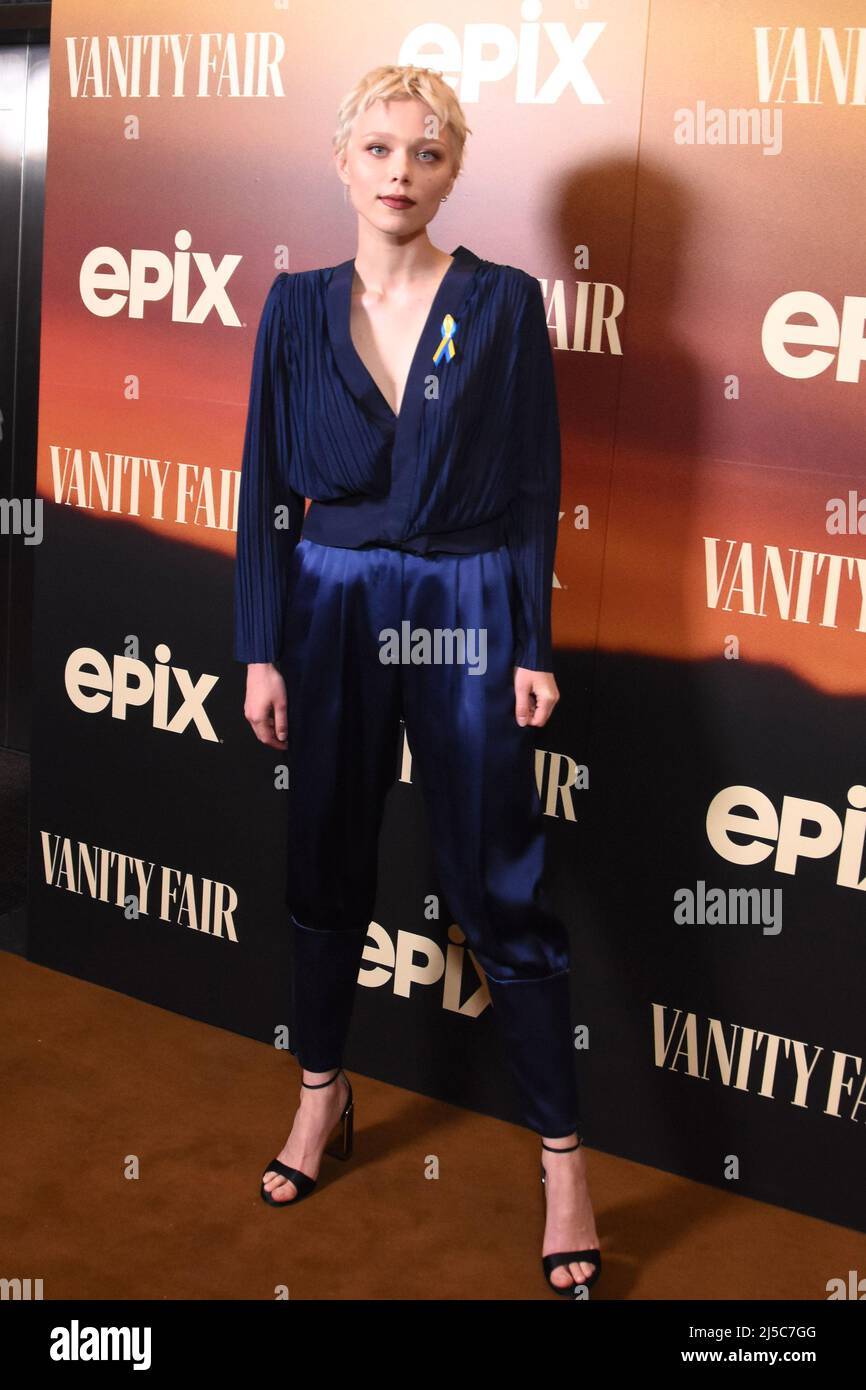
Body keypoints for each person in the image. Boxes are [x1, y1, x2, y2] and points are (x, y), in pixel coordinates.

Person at [233, 63, 601, 1297]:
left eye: (426, 153)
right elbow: (263, 486)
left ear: (453, 171)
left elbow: (536, 482)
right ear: (343, 161)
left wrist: (532, 642)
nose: (400, 172)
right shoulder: (292, 306)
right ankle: (318, 1095)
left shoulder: (500, 304)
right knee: (324, 857)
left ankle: (562, 1164)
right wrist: (260, 644)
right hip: (330, 596)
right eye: (380, 148)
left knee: (497, 880)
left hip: (466, 599)